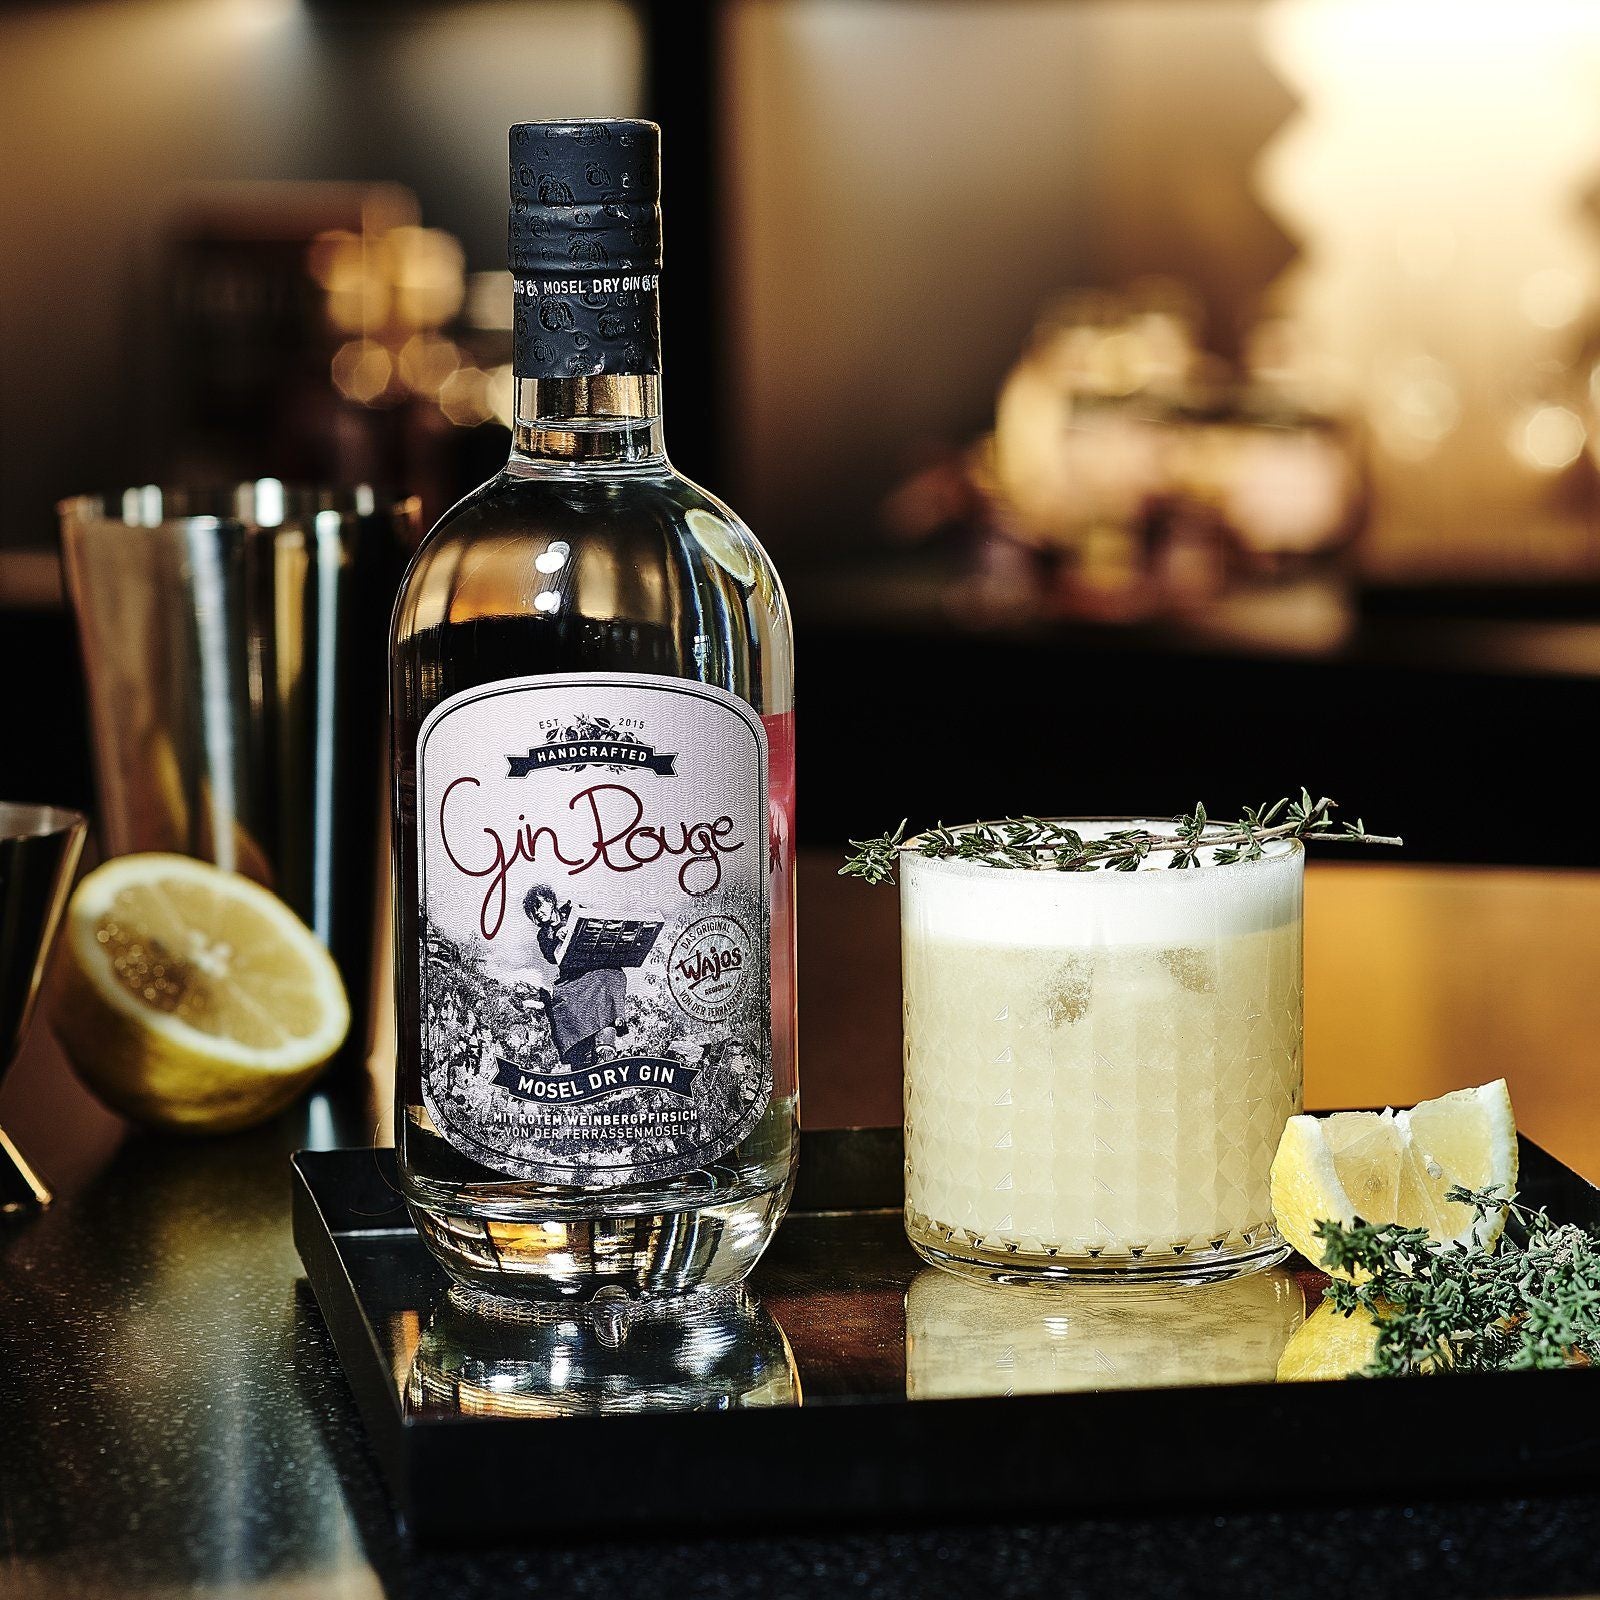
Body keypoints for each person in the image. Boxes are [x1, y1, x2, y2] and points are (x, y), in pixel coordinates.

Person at [522, 884, 628, 1069]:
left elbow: (593, 923)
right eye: (533, 911)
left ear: (550, 901)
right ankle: (584, 1056)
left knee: (609, 977)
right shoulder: (544, 934)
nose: (537, 913)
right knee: (566, 1001)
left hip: (597, 967)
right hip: (573, 978)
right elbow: (551, 957)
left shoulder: (573, 911)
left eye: (539, 905)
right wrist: (557, 936)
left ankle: (605, 1050)